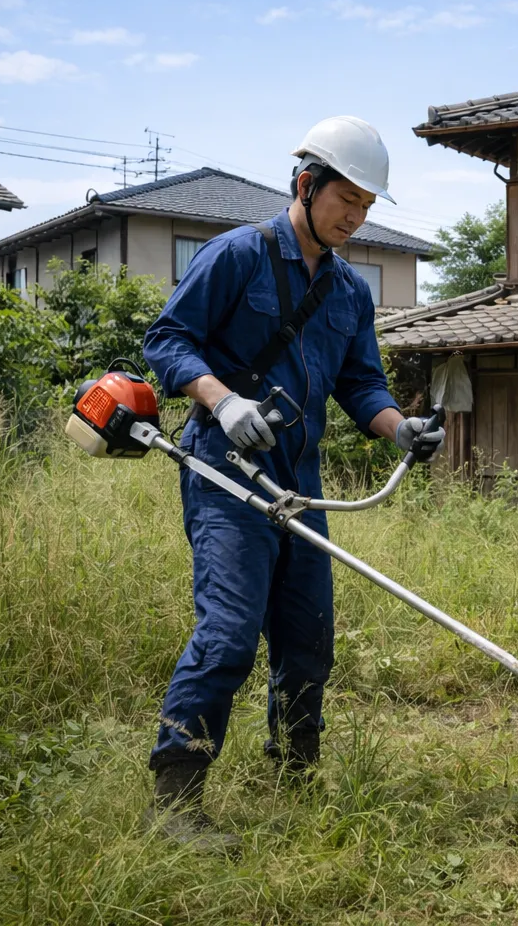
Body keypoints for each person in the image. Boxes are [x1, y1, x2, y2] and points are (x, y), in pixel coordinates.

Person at [142, 116, 443, 849]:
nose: (356, 217)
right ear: (307, 185)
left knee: (309, 641)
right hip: (225, 474)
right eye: (347, 199)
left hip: (300, 486)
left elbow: (361, 384)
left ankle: (295, 776)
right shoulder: (237, 255)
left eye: (367, 205)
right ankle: (175, 801)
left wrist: (399, 428)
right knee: (229, 635)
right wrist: (222, 399)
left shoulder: (349, 291)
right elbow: (167, 340)